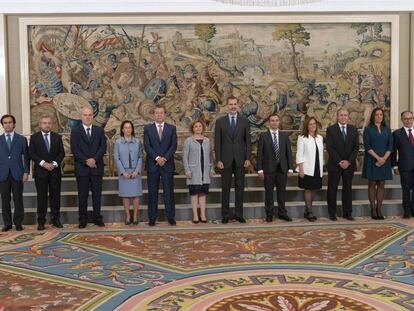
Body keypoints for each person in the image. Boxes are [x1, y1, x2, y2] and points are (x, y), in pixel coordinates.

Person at [214, 96, 251, 224]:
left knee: (240, 188)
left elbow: (248, 142)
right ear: (227, 106)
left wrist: (248, 158)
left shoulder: (244, 121)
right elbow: (217, 142)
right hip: (225, 160)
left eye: (235, 104)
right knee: (225, 188)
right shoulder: (220, 122)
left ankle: (239, 214)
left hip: (241, 159)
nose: (233, 106)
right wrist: (218, 159)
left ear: (238, 105)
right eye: (231, 104)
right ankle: (225, 215)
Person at [70, 107, 107, 228]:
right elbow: (75, 149)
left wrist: (94, 159)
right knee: (82, 196)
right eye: (85, 115)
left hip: (96, 167)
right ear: (81, 116)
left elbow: (103, 147)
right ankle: (83, 219)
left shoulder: (99, 130)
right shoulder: (75, 131)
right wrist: (86, 161)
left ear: (93, 116)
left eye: (90, 115)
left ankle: (97, 218)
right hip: (82, 168)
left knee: (97, 195)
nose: (87, 117)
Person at [29, 115, 65, 230]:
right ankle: (41, 221)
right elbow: (32, 153)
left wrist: (54, 164)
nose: (47, 125)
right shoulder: (34, 138)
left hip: (54, 172)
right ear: (40, 125)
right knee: (41, 197)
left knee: (55, 197)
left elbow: (61, 153)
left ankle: (56, 219)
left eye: (49, 123)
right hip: (40, 172)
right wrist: (43, 163)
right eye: (44, 123)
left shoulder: (57, 137)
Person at [256, 113, 293, 222]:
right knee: (269, 193)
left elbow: (289, 154)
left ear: (279, 122)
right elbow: (259, 154)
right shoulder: (263, 136)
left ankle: (282, 213)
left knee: (282, 193)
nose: (274, 122)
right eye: (272, 120)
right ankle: (269, 214)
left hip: (282, 169)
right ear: (269, 123)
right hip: (268, 170)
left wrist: (291, 168)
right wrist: (259, 169)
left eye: (276, 120)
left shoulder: (284, 136)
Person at [144, 106, 177, 226]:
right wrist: (157, 158)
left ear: (164, 114)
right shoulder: (148, 128)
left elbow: (173, 145)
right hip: (153, 165)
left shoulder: (172, 128)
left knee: (169, 192)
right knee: (153, 192)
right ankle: (152, 217)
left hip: (167, 165)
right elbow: (147, 146)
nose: (159, 115)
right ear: (154, 115)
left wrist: (165, 158)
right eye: (156, 113)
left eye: (161, 113)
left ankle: (170, 217)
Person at [326, 107, 359, 221]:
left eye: (345, 115)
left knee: (347, 189)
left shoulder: (353, 129)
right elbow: (329, 147)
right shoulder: (331, 129)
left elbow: (356, 148)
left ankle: (347, 213)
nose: (343, 117)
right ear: (337, 116)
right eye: (341, 115)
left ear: (348, 117)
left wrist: (348, 161)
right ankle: (332, 213)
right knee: (332, 189)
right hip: (335, 164)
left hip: (349, 165)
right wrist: (339, 161)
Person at [0, 114, 29, 232]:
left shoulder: (21, 139)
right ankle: (7, 223)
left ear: (14, 124)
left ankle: (18, 223)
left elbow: (26, 158)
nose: (8, 124)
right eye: (5, 123)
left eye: (10, 122)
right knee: (5, 200)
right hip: (2, 174)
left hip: (18, 173)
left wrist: (26, 172)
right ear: (2, 125)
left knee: (18, 199)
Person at [362, 107, 393, 220]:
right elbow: (367, 146)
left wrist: (383, 158)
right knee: (372, 183)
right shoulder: (368, 129)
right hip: (372, 159)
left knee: (381, 184)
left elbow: (390, 146)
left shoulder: (387, 129)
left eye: (381, 115)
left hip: (385, 160)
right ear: (373, 116)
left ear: (383, 117)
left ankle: (379, 209)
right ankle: (373, 209)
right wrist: (378, 158)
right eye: (377, 115)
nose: (379, 116)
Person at [183, 120, 214, 223]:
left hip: (205, 171)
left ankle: (203, 215)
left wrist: (211, 169)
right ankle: (195, 216)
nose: (198, 128)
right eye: (196, 126)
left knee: (202, 194)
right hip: (193, 172)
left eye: (200, 126)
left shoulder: (207, 140)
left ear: (203, 128)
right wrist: (187, 170)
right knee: (194, 194)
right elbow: (185, 157)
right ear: (192, 128)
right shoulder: (188, 141)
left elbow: (210, 156)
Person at [114, 120, 142, 225]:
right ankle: (128, 216)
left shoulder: (138, 142)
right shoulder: (118, 142)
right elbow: (116, 158)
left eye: (129, 127)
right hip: (124, 172)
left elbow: (140, 157)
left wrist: (137, 171)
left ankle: (135, 217)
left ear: (132, 129)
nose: (128, 130)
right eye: (125, 128)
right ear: (122, 130)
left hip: (135, 172)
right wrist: (122, 172)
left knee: (135, 195)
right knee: (125, 195)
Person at [296, 116, 324, 222]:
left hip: (317, 168)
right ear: (307, 126)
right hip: (307, 168)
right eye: (310, 124)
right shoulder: (302, 138)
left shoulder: (320, 138)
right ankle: (310, 211)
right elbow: (299, 154)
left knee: (313, 189)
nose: (312, 125)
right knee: (308, 189)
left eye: (314, 123)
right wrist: (301, 169)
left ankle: (307, 211)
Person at [392, 111, 414, 219]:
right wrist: (395, 165)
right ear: (402, 120)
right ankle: (406, 211)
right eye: (405, 119)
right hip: (405, 166)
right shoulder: (397, 133)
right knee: (406, 190)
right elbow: (393, 151)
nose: (408, 120)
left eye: (410, 118)